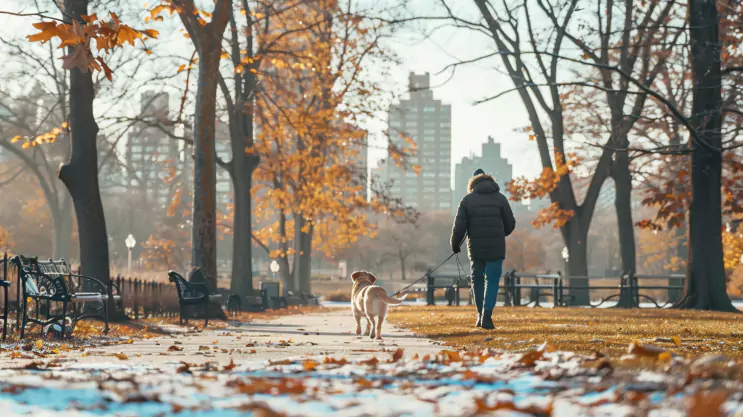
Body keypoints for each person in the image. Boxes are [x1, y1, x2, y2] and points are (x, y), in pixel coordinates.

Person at [450, 168, 516, 329]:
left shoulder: (467, 200)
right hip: (496, 248)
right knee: (492, 281)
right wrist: (500, 233)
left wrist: (455, 244)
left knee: (477, 280)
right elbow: (510, 224)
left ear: (473, 183)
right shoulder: (500, 199)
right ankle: (487, 315)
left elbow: (459, 226)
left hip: (476, 248)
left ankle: (479, 314)